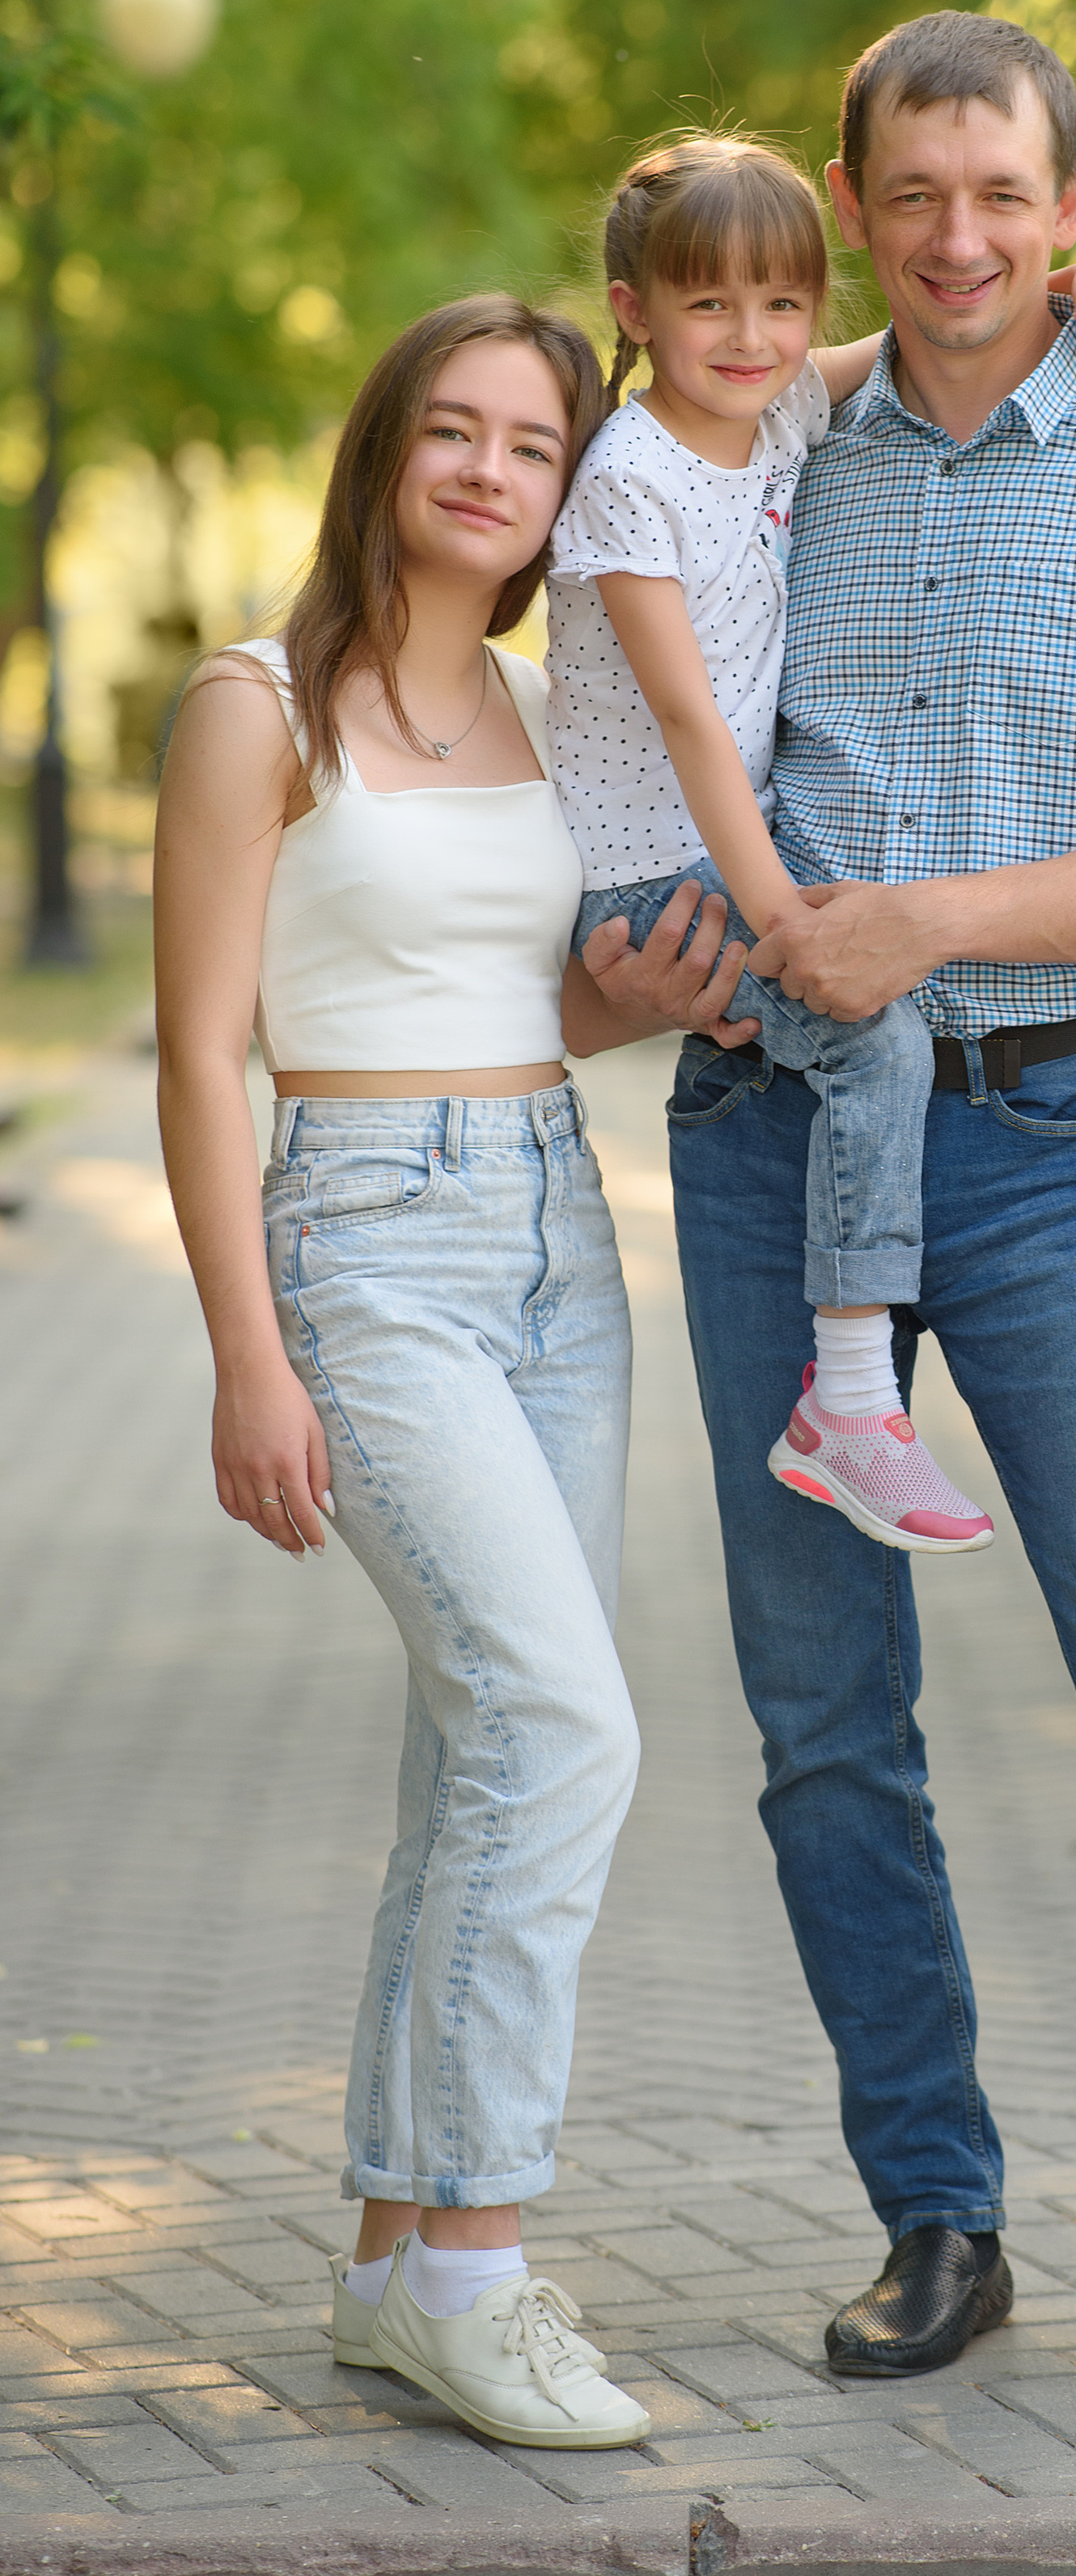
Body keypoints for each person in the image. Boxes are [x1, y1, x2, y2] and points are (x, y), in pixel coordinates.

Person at [582, 11, 1076, 2447]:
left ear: (1070, 199)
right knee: (828, 1724)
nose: (958, 243)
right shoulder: (765, 430)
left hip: (1047, 1147)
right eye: (909, 197)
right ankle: (937, 2214)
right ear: (850, 199)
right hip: (761, 1131)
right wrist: (636, 966)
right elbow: (658, 353)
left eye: (1000, 198)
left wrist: (930, 919)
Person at [154, 294, 710, 2452]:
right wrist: (241, 1351)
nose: (490, 469)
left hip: (558, 1226)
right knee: (563, 1728)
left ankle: (396, 2257)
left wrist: (627, 1016)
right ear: (389, 446)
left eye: (537, 445)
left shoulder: (562, 710)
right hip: (359, 1240)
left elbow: (513, 1003)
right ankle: (481, 2267)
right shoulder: (256, 703)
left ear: (573, 490)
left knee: (475, 1749)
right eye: (454, 430)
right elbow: (208, 1045)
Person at [549, 132, 1076, 1553]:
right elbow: (691, 725)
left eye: (781, 305)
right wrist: (788, 926)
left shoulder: (775, 417)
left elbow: (890, 350)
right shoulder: (627, 478)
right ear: (633, 310)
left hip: (729, 848)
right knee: (873, 1035)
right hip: (658, 863)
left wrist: (1064, 296)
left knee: (874, 1022)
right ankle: (854, 1399)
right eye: (709, 306)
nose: (751, 339)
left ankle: (855, 1392)